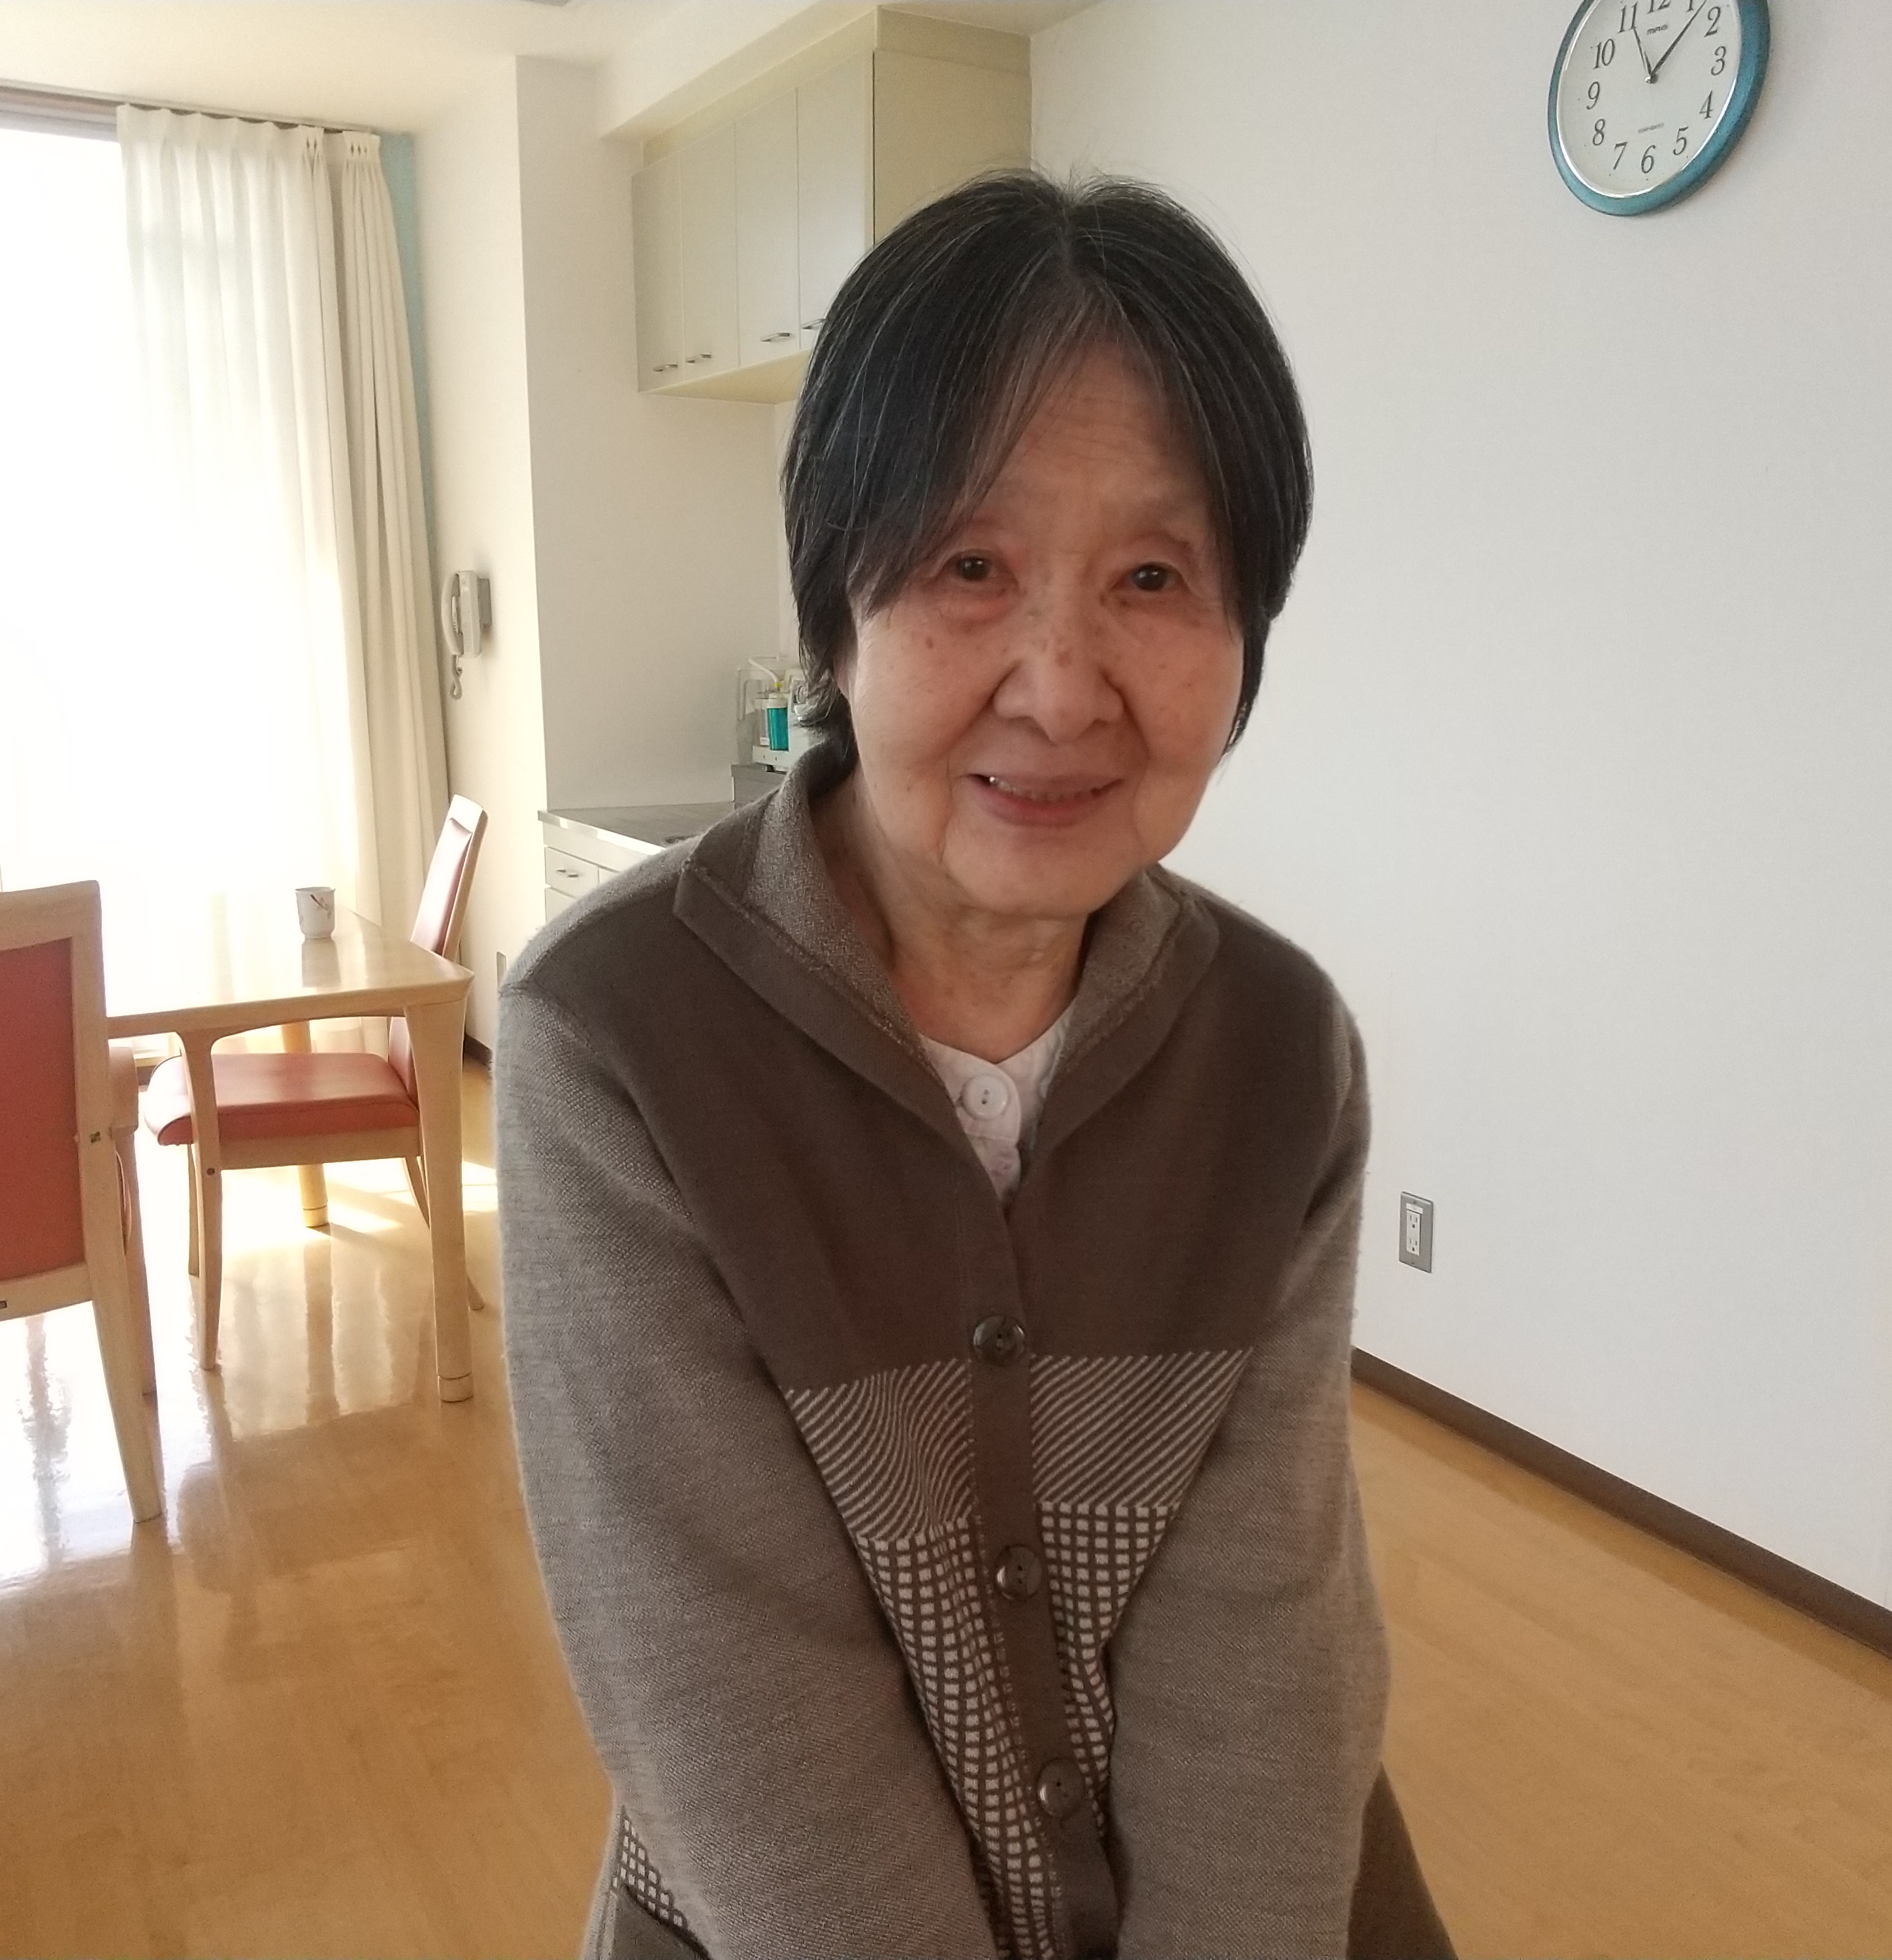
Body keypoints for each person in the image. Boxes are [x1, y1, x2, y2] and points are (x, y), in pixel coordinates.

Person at [498, 171, 1452, 1960]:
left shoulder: (1277, 1051)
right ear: (835, 616)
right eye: (970, 567)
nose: (1063, 687)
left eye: (1155, 577)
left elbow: (1263, 1636)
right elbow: (730, 1706)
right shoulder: (615, 1042)